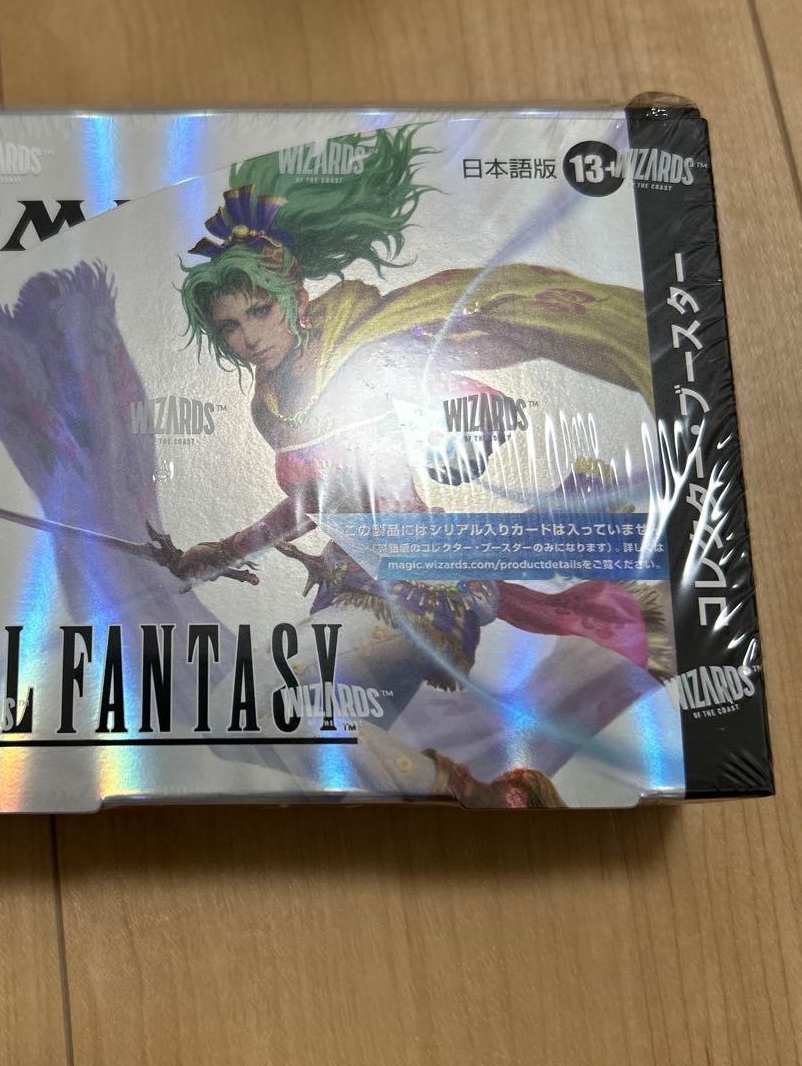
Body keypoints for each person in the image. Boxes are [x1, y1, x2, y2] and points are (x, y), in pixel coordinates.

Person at [172, 126, 675, 806]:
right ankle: (495, 800)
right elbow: (312, 504)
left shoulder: (357, 350)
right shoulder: (270, 406)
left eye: (259, 311)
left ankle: (474, 798)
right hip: (349, 590)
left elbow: (453, 380)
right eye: (230, 326)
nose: (249, 337)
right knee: (258, 734)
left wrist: (472, 426)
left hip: (410, 593)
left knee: (249, 705)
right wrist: (221, 551)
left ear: (294, 295)